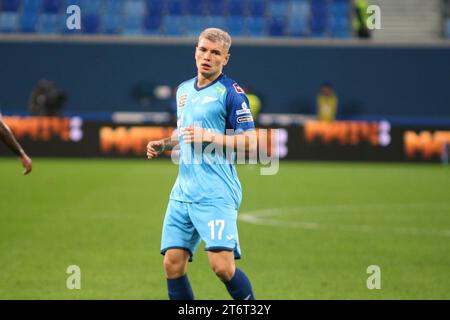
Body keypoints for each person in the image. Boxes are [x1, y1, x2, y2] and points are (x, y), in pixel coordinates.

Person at [146, 28, 257, 300]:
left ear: (226, 59)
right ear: (196, 50)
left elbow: (251, 141)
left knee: (222, 267)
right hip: (183, 192)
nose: (207, 56)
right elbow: (184, 134)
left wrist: (211, 136)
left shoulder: (231, 93)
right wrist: (164, 144)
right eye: (203, 49)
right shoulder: (183, 90)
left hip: (215, 192)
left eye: (215, 52)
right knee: (172, 263)